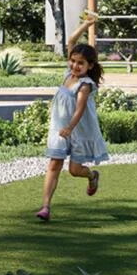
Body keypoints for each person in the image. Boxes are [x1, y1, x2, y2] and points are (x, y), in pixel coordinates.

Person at [36, 13, 110, 222]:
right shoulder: (68, 75)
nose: (75, 66)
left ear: (90, 66)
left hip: (77, 130)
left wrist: (69, 127)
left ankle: (92, 176)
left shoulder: (85, 85)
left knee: (75, 171)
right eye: (73, 61)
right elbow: (71, 40)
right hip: (59, 129)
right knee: (54, 165)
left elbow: (79, 109)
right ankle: (45, 207)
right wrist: (86, 24)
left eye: (81, 63)